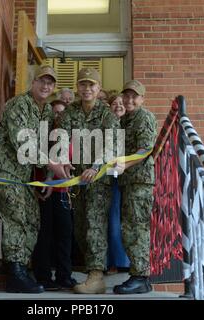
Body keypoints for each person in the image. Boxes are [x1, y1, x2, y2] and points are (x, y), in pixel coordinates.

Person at [0, 65, 72, 294]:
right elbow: (24, 145)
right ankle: (14, 273)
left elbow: (43, 147)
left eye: (50, 83)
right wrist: (52, 165)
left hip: (23, 178)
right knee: (16, 218)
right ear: (32, 83)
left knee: (33, 220)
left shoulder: (44, 112)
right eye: (41, 81)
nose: (46, 86)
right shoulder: (18, 104)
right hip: (5, 172)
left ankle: (21, 269)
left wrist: (51, 177)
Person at [59, 68, 120, 294]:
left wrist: (96, 167)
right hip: (77, 179)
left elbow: (113, 144)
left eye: (91, 85)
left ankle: (96, 275)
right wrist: (64, 160)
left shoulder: (107, 115)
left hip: (99, 179)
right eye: (83, 84)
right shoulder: (70, 113)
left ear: (99, 88)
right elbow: (63, 139)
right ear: (78, 87)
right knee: (80, 227)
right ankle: (93, 273)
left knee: (95, 225)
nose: (87, 89)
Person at [112, 80, 158, 294]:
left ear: (142, 99)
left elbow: (145, 149)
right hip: (129, 181)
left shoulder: (144, 117)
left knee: (136, 228)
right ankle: (140, 276)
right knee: (129, 227)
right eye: (127, 95)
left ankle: (140, 276)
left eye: (134, 96)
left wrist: (124, 165)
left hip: (139, 181)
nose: (130, 100)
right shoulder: (126, 119)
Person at [32, 100, 77, 291]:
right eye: (55, 113)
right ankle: (43, 276)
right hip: (44, 190)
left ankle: (64, 276)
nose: (58, 116)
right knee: (45, 234)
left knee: (65, 235)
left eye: (62, 113)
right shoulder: (42, 136)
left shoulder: (69, 137)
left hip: (63, 192)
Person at [106, 95, 130, 275]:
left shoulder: (132, 124)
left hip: (129, 178)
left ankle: (127, 261)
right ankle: (113, 262)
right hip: (108, 177)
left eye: (121, 104)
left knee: (127, 219)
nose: (118, 106)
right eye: (114, 104)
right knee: (111, 218)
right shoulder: (104, 125)